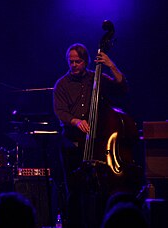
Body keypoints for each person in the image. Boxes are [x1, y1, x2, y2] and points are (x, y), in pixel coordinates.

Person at [52, 43, 132, 228]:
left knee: (99, 189)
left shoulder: (96, 78)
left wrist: (111, 65)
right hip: (72, 143)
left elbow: (121, 88)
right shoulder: (62, 84)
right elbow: (60, 111)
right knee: (74, 190)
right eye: (70, 62)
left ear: (85, 61)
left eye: (77, 62)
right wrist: (76, 121)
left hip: (97, 144)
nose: (73, 65)